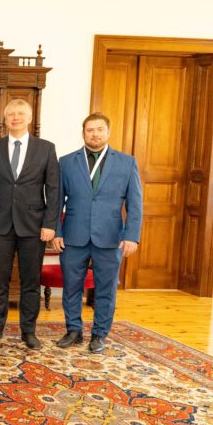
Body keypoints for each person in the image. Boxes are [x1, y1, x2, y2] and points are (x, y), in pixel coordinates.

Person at [53, 112, 142, 353]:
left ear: (108, 132)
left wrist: (131, 236)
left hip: (110, 237)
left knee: (106, 289)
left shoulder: (126, 163)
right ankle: (73, 330)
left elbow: (135, 203)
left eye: (99, 129)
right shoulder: (66, 162)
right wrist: (57, 231)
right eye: (90, 130)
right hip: (73, 236)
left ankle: (99, 334)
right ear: (83, 133)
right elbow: (56, 201)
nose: (95, 134)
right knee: (71, 286)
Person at [0, 99, 59, 349]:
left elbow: (53, 189)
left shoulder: (46, 149)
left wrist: (50, 223)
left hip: (33, 226)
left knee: (30, 281)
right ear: (5, 118)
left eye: (21, 113)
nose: (15, 118)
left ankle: (29, 331)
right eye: (11, 114)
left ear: (29, 118)